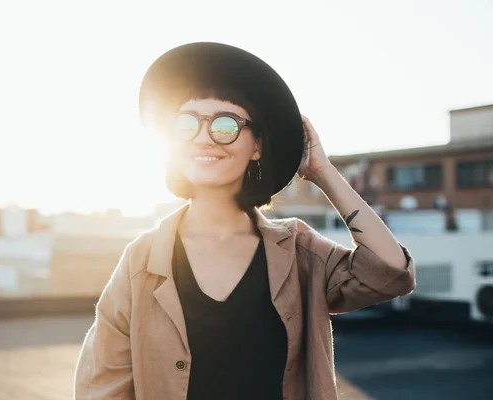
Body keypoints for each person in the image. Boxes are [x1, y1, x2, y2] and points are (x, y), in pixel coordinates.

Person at [74, 42, 416, 400]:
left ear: (257, 147)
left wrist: (323, 173)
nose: (204, 138)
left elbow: (390, 273)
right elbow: (101, 386)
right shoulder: (141, 262)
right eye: (187, 123)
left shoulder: (298, 251)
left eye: (225, 125)